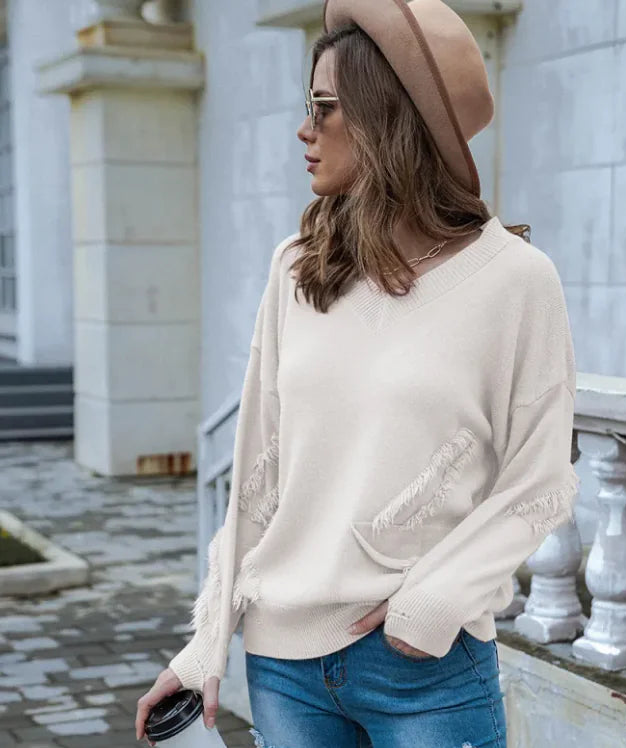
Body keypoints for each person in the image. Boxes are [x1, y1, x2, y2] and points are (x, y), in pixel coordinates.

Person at [135, 1, 580, 746]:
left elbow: (540, 480)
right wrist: (205, 642)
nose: (303, 131)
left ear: (386, 117)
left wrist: (434, 602)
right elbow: (258, 474)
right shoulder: (297, 268)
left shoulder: (515, 281)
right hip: (282, 666)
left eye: (324, 108)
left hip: (426, 668)